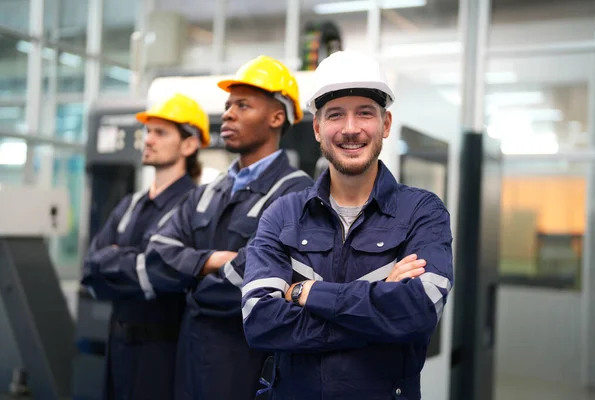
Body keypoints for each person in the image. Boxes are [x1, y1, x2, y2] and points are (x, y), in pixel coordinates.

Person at [241, 50, 454, 400]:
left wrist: (303, 292)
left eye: (365, 114)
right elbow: (260, 322)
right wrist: (381, 310)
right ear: (317, 127)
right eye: (336, 115)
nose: (351, 129)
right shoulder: (283, 214)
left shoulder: (422, 212)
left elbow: (419, 312)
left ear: (385, 124)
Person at [144, 55, 314, 400]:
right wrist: (211, 262)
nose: (228, 113)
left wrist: (188, 283)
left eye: (243, 105)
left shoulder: (295, 193)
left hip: (244, 364)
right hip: (189, 355)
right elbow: (156, 254)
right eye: (227, 105)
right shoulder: (210, 190)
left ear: (276, 117)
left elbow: (259, 280)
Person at [81, 93, 210, 400]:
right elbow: (90, 267)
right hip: (118, 347)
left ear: (189, 145)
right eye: (147, 132)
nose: (148, 140)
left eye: (160, 132)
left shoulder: (196, 207)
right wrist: (133, 265)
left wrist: (114, 259)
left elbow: (162, 271)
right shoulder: (130, 204)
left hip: (164, 353)